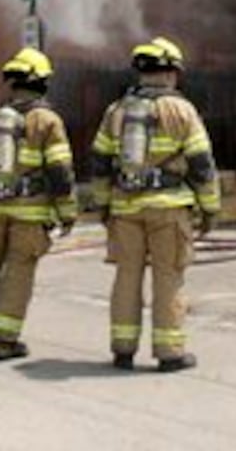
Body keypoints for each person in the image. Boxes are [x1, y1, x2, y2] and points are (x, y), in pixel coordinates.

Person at [90, 36, 220, 373]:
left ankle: (123, 349)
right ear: (172, 73)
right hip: (169, 209)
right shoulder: (182, 110)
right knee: (168, 278)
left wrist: (104, 205)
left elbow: (100, 163)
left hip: (125, 208)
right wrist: (210, 208)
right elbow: (201, 164)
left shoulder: (115, 111)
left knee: (126, 277)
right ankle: (169, 352)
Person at [0, 47, 78, 360]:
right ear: (41, 82)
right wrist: (67, 213)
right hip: (30, 212)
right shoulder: (46, 121)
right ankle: (5, 340)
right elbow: (60, 172)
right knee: (18, 273)